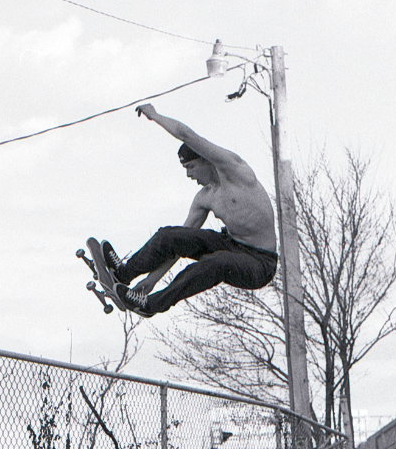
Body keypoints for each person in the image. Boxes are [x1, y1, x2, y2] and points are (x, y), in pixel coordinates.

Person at [100, 104, 279, 317]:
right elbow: (177, 246)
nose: (189, 176)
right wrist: (152, 279)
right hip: (231, 245)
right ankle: (122, 274)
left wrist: (155, 116)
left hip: (260, 263)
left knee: (216, 262)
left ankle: (150, 304)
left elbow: (186, 134)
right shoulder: (204, 198)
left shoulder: (236, 172)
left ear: (205, 161)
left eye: (191, 168)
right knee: (169, 235)